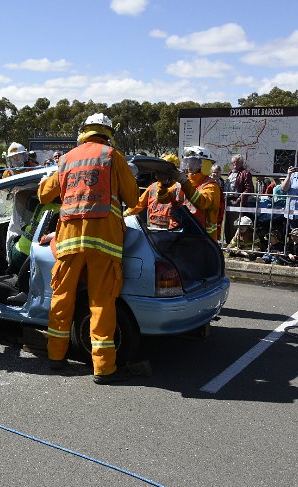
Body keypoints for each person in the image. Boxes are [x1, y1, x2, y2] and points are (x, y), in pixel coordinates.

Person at [37, 113, 140, 384]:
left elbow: (42, 195)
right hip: (104, 241)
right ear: (108, 133)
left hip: (69, 241)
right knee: (101, 303)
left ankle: (55, 357)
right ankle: (104, 368)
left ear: (83, 131)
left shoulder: (67, 158)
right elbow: (133, 197)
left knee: (61, 299)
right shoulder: (112, 156)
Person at [157, 146, 222, 240]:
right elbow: (163, 199)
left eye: (193, 162)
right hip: (179, 233)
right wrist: (163, 184)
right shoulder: (182, 182)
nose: (188, 165)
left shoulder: (211, 185)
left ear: (205, 164)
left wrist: (184, 182)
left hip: (200, 237)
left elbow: (202, 202)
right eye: (187, 161)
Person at [123, 160, 181, 230]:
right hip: (153, 230)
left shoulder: (178, 187)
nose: (158, 174)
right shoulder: (153, 187)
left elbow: (181, 211)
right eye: (158, 171)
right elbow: (140, 204)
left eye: (161, 171)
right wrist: (125, 214)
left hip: (172, 232)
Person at [223, 154, 254, 244]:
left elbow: (249, 188)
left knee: (235, 224)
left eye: (237, 162)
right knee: (227, 224)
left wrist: (239, 199)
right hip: (227, 200)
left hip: (236, 201)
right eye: (233, 162)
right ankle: (228, 243)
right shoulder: (230, 173)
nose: (235, 164)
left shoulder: (245, 173)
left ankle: (235, 244)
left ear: (241, 163)